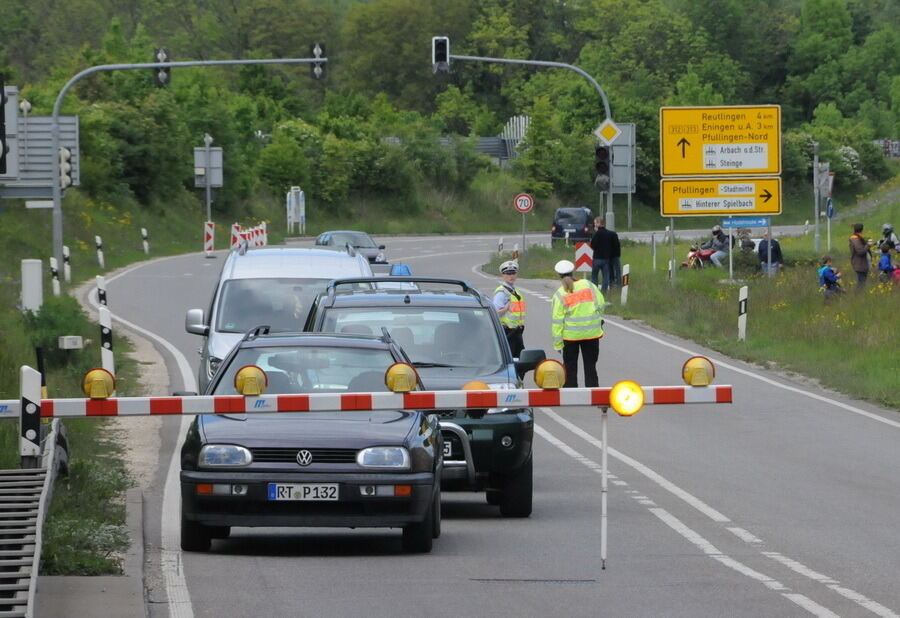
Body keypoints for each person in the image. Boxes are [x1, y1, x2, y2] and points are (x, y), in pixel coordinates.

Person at [551, 260, 605, 388]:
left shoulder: (559, 294)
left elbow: (557, 321)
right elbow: (601, 305)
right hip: (591, 334)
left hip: (570, 337)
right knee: (591, 366)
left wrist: (558, 344)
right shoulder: (588, 285)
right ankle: (593, 393)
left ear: (559, 275)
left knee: (570, 368)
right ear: (573, 271)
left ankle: (570, 395)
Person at [493, 260, 526, 358]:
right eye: (508, 273)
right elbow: (495, 313)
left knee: (520, 360)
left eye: (513, 273)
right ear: (503, 275)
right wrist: (506, 308)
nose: (511, 276)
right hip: (507, 332)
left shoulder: (516, 291)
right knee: (511, 360)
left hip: (517, 332)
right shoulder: (501, 293)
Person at [589, 217, 620, 293]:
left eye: (595, 223)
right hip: (606, 259)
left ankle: (595, 291)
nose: (594, 225)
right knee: (605, 276)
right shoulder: (609, 234)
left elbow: (592, 245)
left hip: (597, 258)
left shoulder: (597, 234)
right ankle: (604, 291)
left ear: (599, 223)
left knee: (594, 276)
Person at [848, 222, 873, 288]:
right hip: (859, 263)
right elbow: (860, 251)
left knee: (862, 282)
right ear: (862, 229)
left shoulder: (857, 238)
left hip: (860, 263)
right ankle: (858, 296)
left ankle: (858, 295)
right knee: (861, 283)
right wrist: (868, 245)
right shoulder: (855, 239)